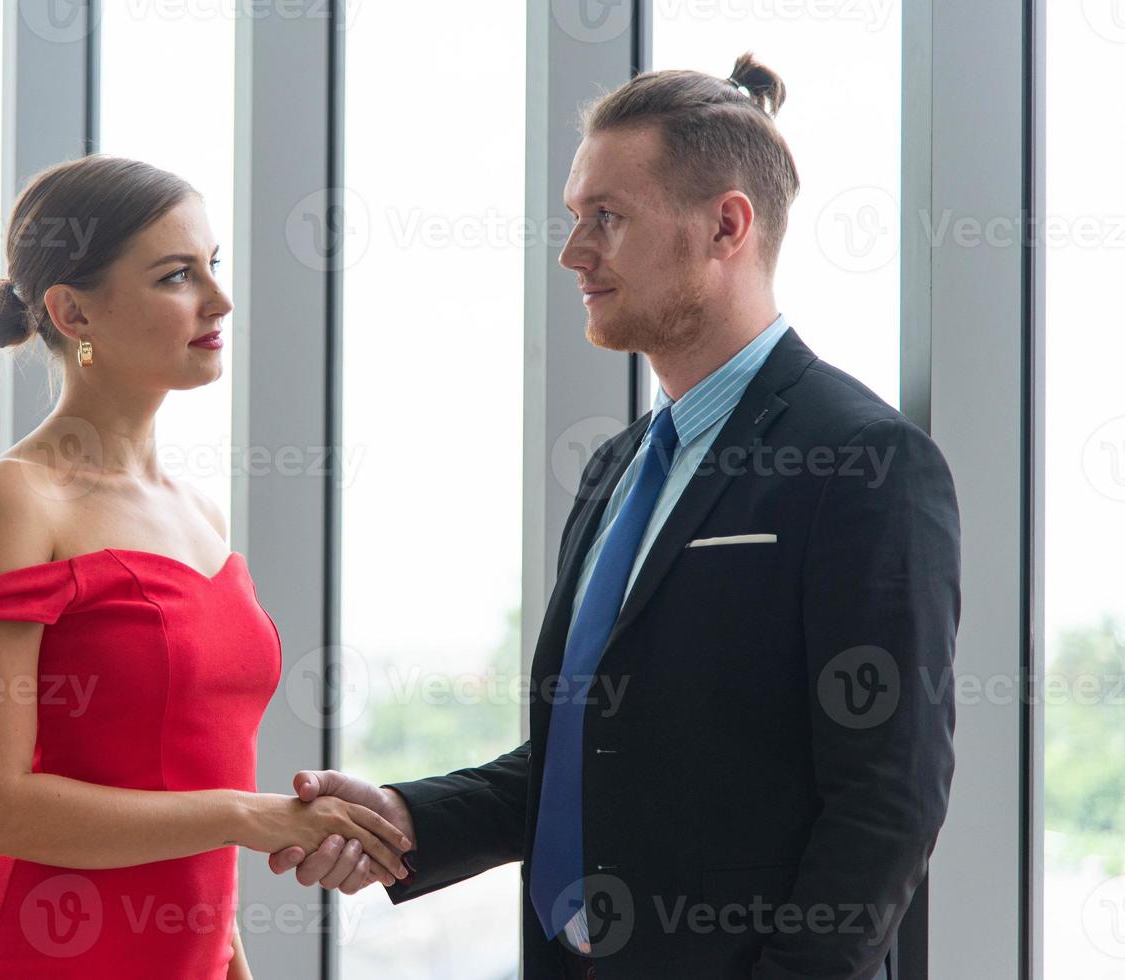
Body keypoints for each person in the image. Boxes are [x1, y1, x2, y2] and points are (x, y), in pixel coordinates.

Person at [270, 53, 961, 980]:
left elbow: (889, 798)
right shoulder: (618, 465)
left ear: (726, 226)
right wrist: (409, 817)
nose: (573, 253)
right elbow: (594, 751)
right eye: (573, 219)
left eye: (608, 219)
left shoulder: (865, 461)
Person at [0, 155, 411, 979]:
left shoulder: (199, 515)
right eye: (176, 276)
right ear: (72, 311)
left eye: (214, 266)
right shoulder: (16, 500)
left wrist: (227, 959)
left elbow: (190, 780)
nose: (218, 300)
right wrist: (256, 816)